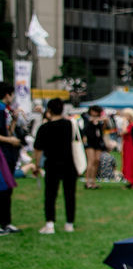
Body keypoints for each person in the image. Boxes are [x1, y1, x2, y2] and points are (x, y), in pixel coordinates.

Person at [30, 97, 77, 234]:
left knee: (50, 194)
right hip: (68, 163)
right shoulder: (69, 125)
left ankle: (50, 224)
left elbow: (38, 149)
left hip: (52, 164)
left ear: (49, 110)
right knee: (70, 194)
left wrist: (37, 165)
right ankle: (69, 223)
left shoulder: (44, 128)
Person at [0, 83, 21, 234]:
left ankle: (6, 222)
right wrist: (11, 141)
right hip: (3, 154)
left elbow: (7, 131)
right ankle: (4, 223)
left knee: (6, 189)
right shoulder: (1, 109)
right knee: (3, 188)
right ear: (7, 94)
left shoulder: (5, 110)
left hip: (7, 153)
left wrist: (14, 120)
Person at [81, 105, 107, 188]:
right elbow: (85, 127)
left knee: (97, 160)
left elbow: (102, 129)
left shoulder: (100, 119)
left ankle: (93, 181)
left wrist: (104, 121)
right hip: (90, 141)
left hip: (98, 141)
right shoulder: (86, 117)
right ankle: (87, 181)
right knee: (91, 161)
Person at [119, 109, 133, 188]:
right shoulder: (131, 125)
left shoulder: (132, 125)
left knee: (131, 162)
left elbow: (123, 131)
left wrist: (124, 122)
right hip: (128, 146)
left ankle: (132, 181)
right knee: (129, 162)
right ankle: (131, 180)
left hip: (130, 146)